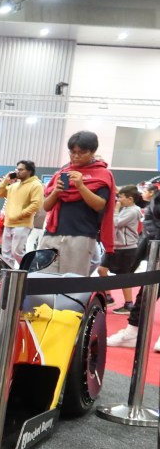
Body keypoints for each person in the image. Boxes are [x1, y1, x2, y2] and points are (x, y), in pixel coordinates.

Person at [40, 131, 116, 276]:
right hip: (52, 233)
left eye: (81, 152)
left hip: (81, 235)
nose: (75, 156)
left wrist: (81, 186)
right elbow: (47, 206)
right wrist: (56, 191)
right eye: (72, 152)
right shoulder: (62, 173)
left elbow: (100, 205)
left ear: (92, 152)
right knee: (43, 278)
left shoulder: (102, 174)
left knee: (72, 283)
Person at [108, 189, 160, 348]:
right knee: (146, 292)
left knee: (147, 291)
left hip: (147, 244)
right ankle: (132, 332)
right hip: (154, 245)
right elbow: (151, 216)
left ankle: (132, 332)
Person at [0, 160, 43, 267]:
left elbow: (36, 204)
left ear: (29, 171)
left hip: (22, 223)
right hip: (8, 223)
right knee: (6, 254)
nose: (18, 172)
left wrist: (21, 214)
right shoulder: (14, 186)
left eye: (21, 169)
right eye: (17, 169)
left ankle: (29, 270)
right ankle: (9, 272)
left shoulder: (36, 185)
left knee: (17, 252)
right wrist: (6, 180)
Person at [104, 184, 142, 313]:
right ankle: (108, 297)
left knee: (124, 277)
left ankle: (128, 304)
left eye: (121, 197)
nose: (118, 200)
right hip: (116, 246)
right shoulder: (126, 208)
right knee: (101, 269)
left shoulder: (133, 211)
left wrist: (115, 210)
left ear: (130, 199)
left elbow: (116, 223)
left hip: (127, 248)